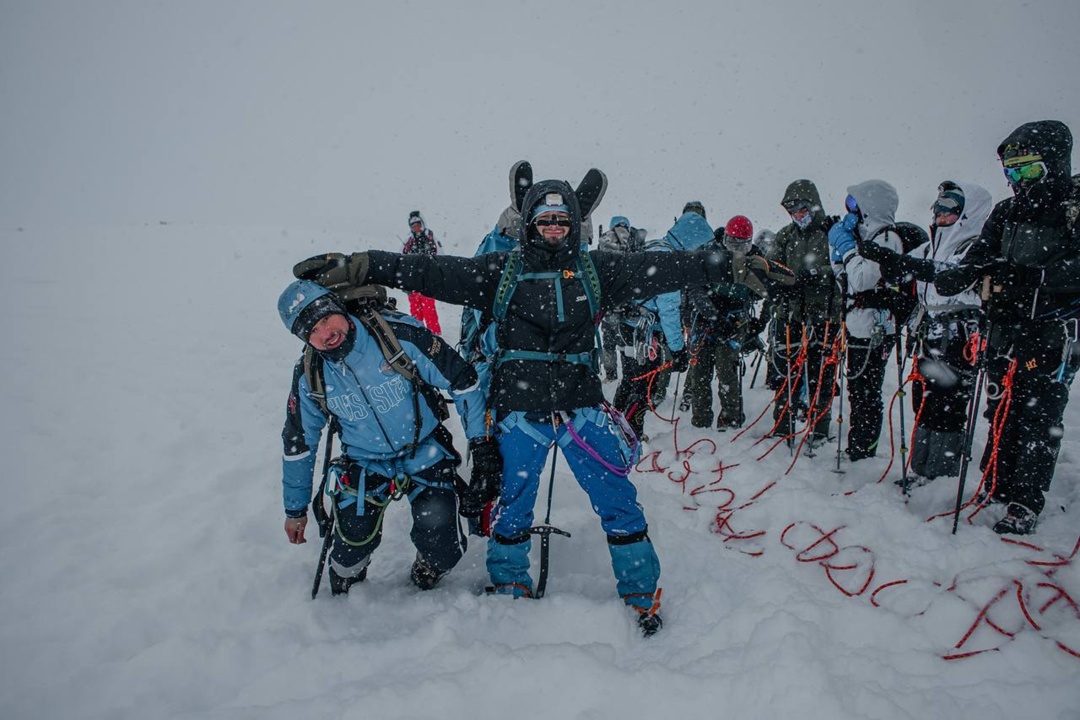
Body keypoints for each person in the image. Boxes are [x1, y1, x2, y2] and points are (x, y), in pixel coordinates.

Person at [293, 176, 741, 635]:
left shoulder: (599, 270)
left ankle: (642, 590)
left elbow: (669, 268)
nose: (553, 227)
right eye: (544, 219)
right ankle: (509, 584)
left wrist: (730, 265)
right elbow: (429, 271)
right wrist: (365, 266)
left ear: (575, 223)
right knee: (512, 505)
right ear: (529, 224)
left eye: (562, 219)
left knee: (618, 500)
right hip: (521, 413)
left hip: (582, 410)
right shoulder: (499, 271)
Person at [874, 120, 1079, 534]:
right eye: (1012, 172)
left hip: (1053, 334)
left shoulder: (1072, 205)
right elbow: (964, 271)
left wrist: (1030, 277)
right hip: (1004, 333)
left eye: (1028, 170)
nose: (1018, 181)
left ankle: (1025, 500)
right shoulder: (1007, 211)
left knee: (1039, 419)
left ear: (1054, 164)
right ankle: (1000, 487)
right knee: (1002, 410)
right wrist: (912, 266)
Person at [276, 279, 497, 594]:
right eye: (312, 331)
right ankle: (350, 583)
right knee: (347, 552)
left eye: (325, 319)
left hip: (425, 451)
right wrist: (295, 510)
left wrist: (481, 444)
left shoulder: (398, 335)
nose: (325, 334)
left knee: (441, 542)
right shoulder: (311, 373)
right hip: (364, 463)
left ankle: (429, 566)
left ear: (338, 308)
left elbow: (463, 381)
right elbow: (298, 442)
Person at [886, 181, 993, 486]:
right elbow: (915, 272)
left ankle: (941, 474)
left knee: (947, 404)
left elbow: (948, 274)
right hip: (930, 331)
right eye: (938, 208)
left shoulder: (973, 244)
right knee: (924, 398)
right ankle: (921, 469)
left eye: (949, 209)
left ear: (966, 213)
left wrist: (908, 266)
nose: (940, 215)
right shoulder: (933, 243)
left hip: (960, 334)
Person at [612, 203, 713, 441]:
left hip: (628, 323)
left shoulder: (654, 245)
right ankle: (632, 434)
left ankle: (614, 423)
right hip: (644, 333)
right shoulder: (672, 263)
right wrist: (678, 351)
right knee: (644, 383)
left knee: (629, 378)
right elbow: (669, 311)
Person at [827, 180, 904, 461]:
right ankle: (858, 444)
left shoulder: (885, 238)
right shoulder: (864, 237)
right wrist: (837, 255)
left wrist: (846, 249)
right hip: (858, 322)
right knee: (858, 389)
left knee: (867, 391)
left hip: (876, 327)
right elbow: (845, 280)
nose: (851, 210)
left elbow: (862, 280)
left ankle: (864, 447)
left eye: (855, 204)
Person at [683, 215, 784, 429]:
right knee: (700, 372)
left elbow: (773, 294)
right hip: (706, 318)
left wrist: (760, 323)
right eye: (732, 244)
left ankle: (731, 419)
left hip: (736, 318)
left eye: (743, 245)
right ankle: (700, 421)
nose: (737, 249)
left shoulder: (757, 260)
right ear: (725, 238)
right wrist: (712, 316)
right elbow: (694, 288)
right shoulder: (708, 252)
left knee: (726, 369)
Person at [765, 180, 841, 445]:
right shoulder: (785, 235)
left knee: (822, 371)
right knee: (788, 369)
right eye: (793, 210)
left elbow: (841, 268)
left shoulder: (831, 232)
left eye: (802, 208)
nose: (798, 214)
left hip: (824, 314)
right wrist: (782, 283)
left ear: (812, 206)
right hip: (792, 313)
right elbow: (772, 267)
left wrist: (816, 274)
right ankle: (783, 422)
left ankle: (820, 427)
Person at [598, 215, 646, 382]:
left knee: (609, 342)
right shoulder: (635, 241)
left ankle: (610, 374)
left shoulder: (605, 240)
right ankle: (633, 373)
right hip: (629, 298)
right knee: (629, 339)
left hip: (610, 298)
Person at [402, 211, 442, 334]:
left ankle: (434, 334)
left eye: (418, 224)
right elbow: (402, 261)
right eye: (413, 226)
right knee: (415, 311)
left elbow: (441, 256)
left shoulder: (430, 238)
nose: (416, 228)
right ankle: (418, 334)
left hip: (427, 281)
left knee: (429, 309)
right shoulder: (409, 242)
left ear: (422, 224)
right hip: (413, 282)